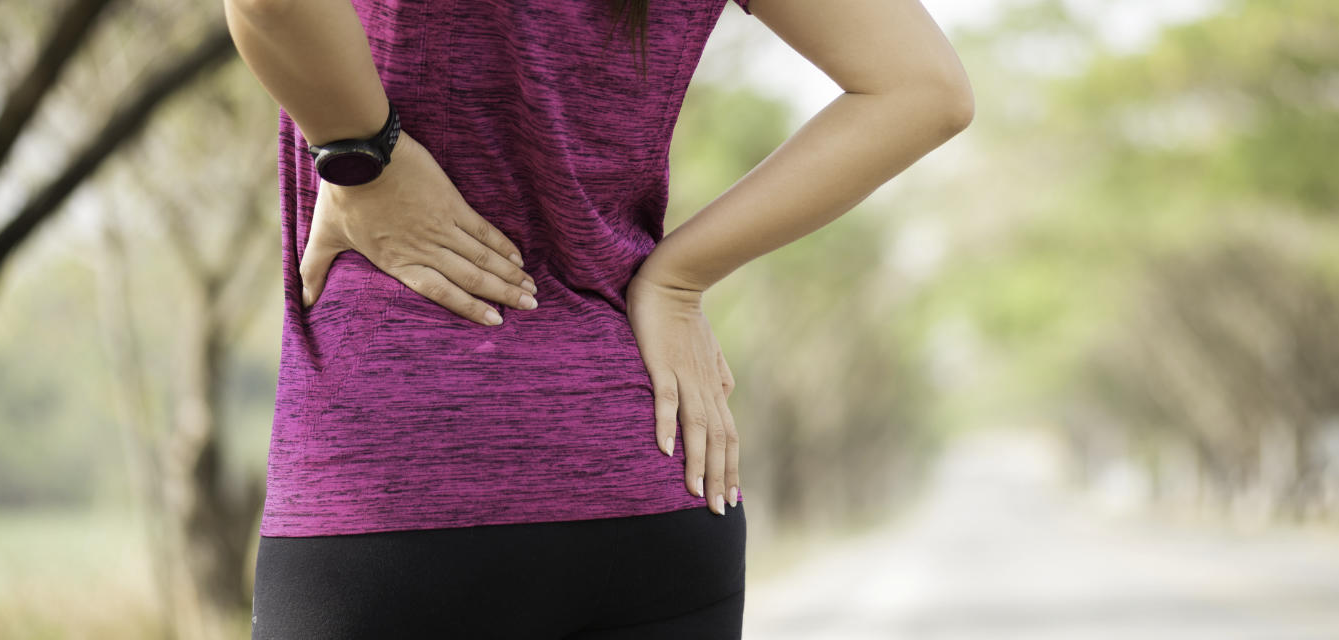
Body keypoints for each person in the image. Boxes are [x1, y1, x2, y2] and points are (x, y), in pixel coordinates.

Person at [223, 0, 972, 635]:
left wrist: (364, 157)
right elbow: (924, 88)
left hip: (389, 484)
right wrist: (676, 277)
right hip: (648, 480)